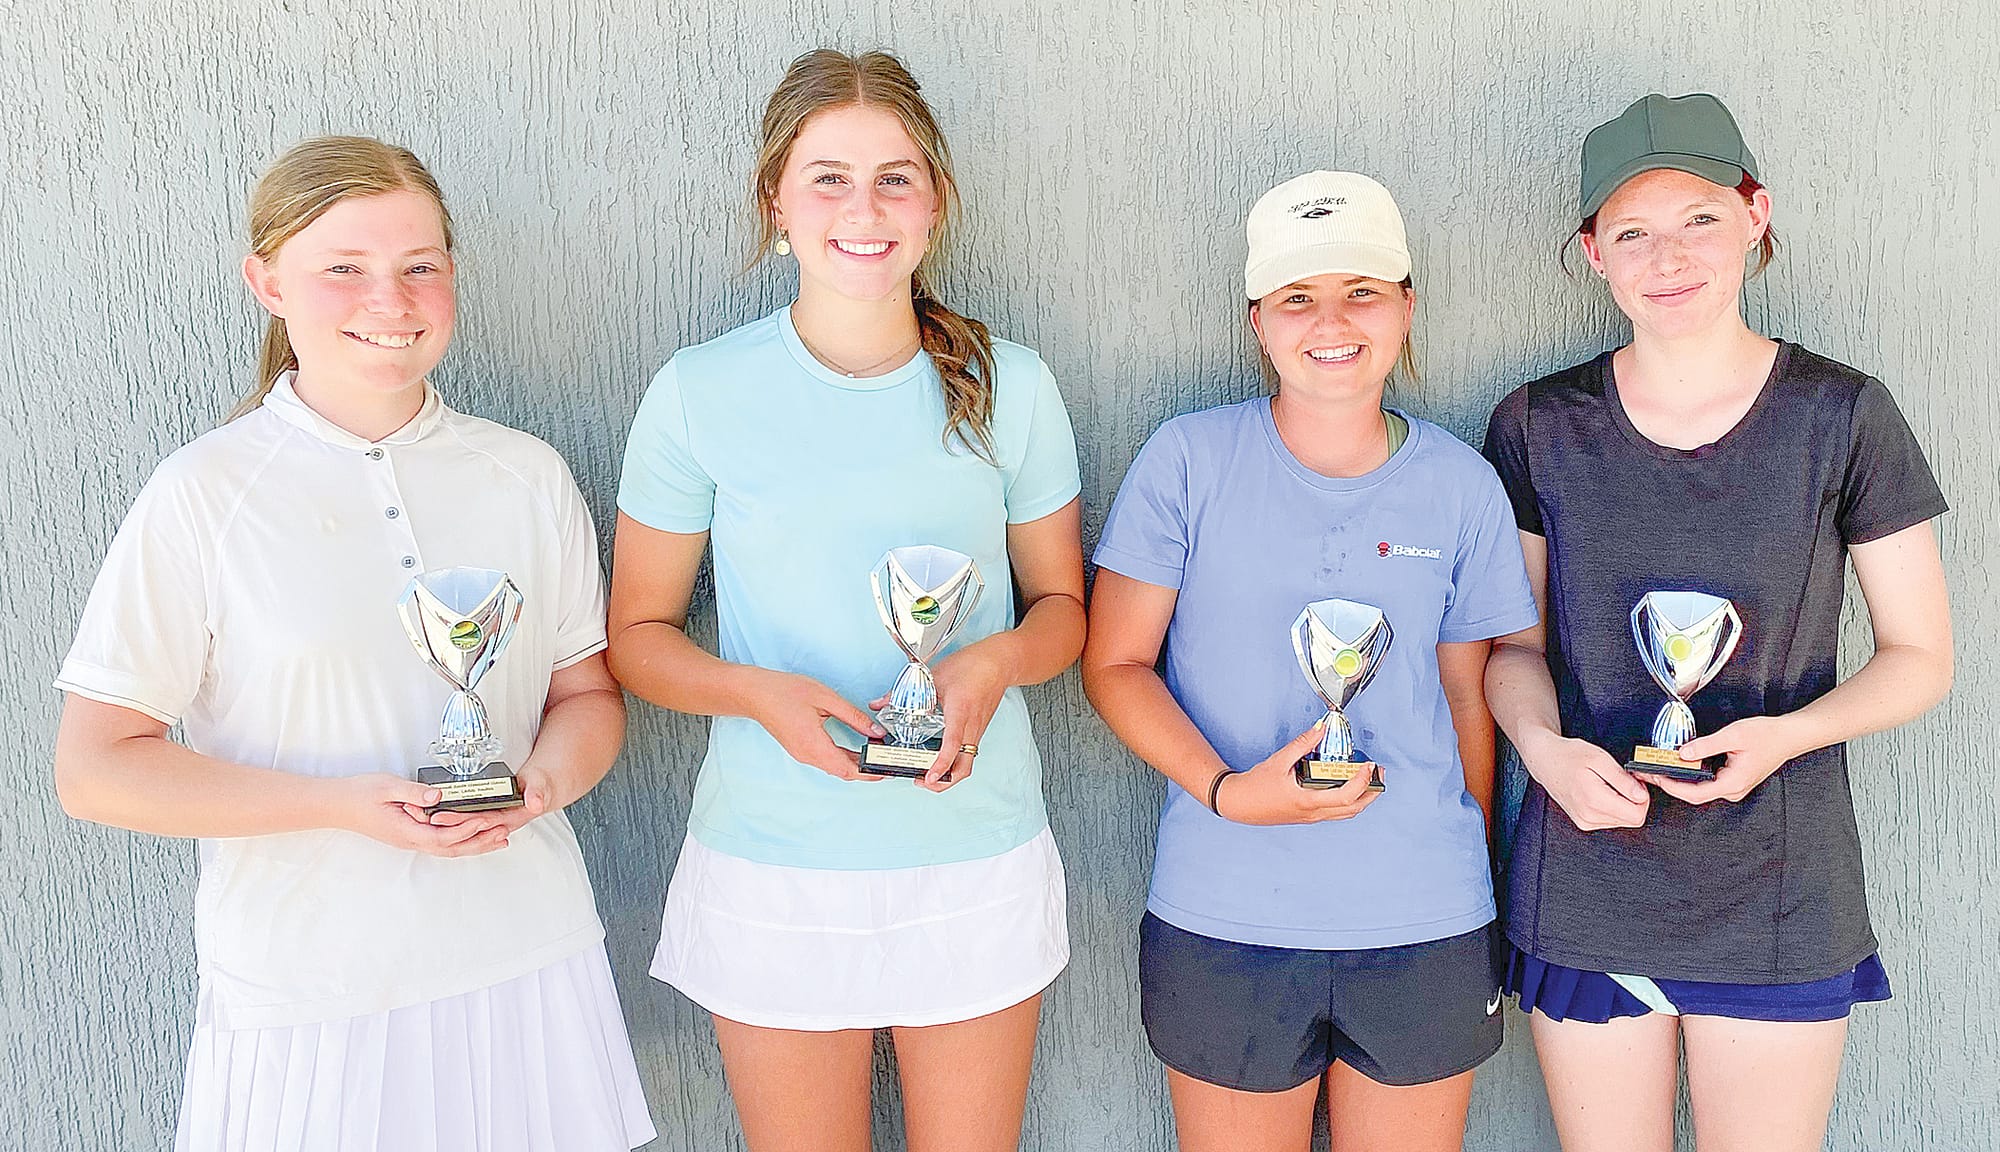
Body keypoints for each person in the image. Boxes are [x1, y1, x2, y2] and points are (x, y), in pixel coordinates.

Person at [51, 136, 655, 1152]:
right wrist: (340, 807)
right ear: (267, 282)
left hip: (526, 957)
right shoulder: (202, 494)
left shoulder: (524, 475)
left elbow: (586, 698)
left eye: (420, 265)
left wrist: (541, 784)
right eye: (345, 269)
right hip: (310, 993)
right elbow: (95, 770)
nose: (392, 300)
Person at [607, 50, 1085, 1152]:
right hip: (775, 862)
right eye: (826, 177)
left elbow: (1060, 606)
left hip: (972, 849)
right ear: (775, 201)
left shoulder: (1013, 385)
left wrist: (991, 663)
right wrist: (759, 693)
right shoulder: (698, 392)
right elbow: (636, 638)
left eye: (893, 178)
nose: (861, 209)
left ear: (934, 204)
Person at [1483, 93, 1954, 1152]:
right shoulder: (1535, 425)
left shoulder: (1841, 416)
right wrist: (1544, 751)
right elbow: (1509, 652)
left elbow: (1920, 657)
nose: (1668, 256)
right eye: (1631, 232)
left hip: (1779, 888)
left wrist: (1786, 736)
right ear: (1591, 254)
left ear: (1754, 216)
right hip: (1589, 881)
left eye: (1698, 217)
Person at [1081, 171, 1540, 1152]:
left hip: (1421, 919)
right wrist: (1225, 790)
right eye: (1297, 297)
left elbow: (1465, 695)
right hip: (1225, 915)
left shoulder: (1461, 486)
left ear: (1406, 306)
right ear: (1257, 321)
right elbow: (1113, 665)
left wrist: (1469, 879)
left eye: (1361, 291)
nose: (1330, 321)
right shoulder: (1186, 462)